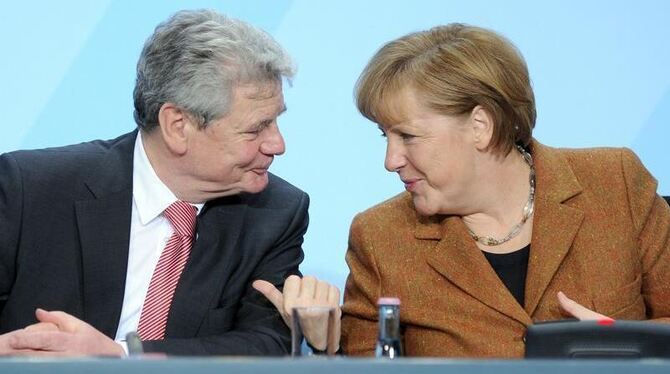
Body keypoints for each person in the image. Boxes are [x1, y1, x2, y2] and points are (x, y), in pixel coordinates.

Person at [0, 9, 335, 357]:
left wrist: (120, 356)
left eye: (276, 122)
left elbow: (266, 344)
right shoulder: (29, 189)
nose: (277, 144)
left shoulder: (276, 213)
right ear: (178, 126)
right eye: (256, 128)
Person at [340, 23, 670, 357]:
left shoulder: (617, 184)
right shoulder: (379, 238)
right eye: (386, 136)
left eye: (407, 136)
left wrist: (627, 347)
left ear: (480, 126)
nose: (391, 160)